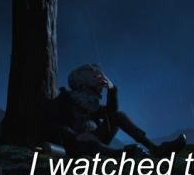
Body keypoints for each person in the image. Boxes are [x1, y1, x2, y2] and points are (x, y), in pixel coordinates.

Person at [45, 63, 186, 158]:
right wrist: (74, 135)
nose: (100, 93)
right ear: (84, 85)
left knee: (118, 116)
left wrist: (112, 90)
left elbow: (111, 112)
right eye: (97, 88)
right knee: (90, 143)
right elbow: (54, 126)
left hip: (93, 140)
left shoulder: (89, 105)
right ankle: (125, 154)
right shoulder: (64, 101)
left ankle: (155, 149)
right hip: (75, 145)